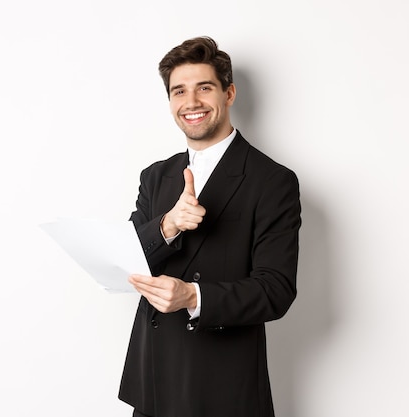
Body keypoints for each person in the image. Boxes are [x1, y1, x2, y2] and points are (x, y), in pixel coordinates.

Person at [119, 36, 301, 417]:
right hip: (153, 380)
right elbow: (128, 259)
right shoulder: (155, 176)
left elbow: (276, 290)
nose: (192, 103)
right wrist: (167, 224)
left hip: (223, 385)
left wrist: (192, 297)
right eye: (179, 91)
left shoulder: (272, 180)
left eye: (204, 88)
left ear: (229, 93)